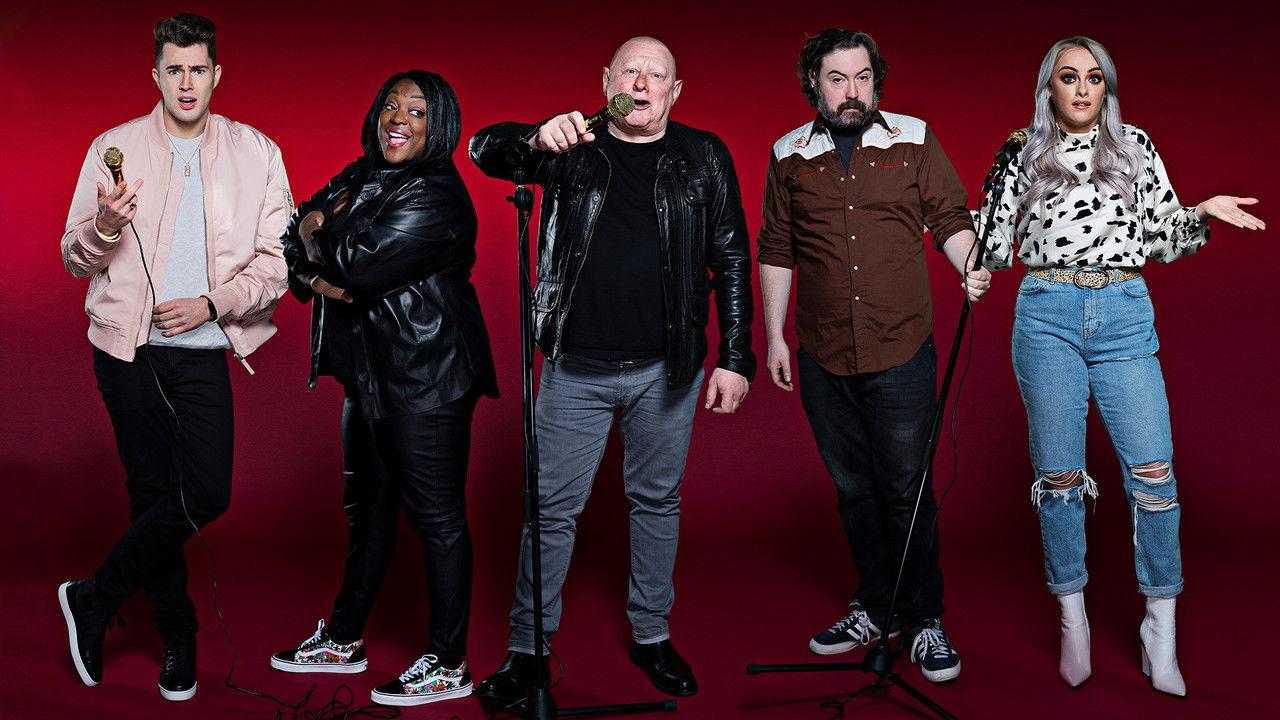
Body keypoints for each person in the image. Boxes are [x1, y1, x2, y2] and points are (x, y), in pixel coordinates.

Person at [468, 36, 755, 700]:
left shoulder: (704, 155)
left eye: (657, 75)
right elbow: (485, 150)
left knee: (656, 502)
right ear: (607, 81)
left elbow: (732, 256)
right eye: (631, 71)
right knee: (550, 510)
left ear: (675, 92)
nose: (643, 83)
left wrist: (736, 357)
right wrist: (536, 137)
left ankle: (652, 636)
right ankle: (527, 649)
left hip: (666, 368)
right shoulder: (572, 147)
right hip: (576, 366)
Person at [978, 36, 1264, 695]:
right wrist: (944, 230)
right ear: (1049, 87)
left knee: (1154, 472)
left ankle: (1159, 631)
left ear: (1106, 87)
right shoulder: (1022, 151)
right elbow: (991, 240)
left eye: (1094, 77)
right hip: (1046, 312)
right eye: (1068, 77)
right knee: (1059, 477)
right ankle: (1072, 619)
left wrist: (1200, 212)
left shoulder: (1134, 146)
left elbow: (1163, 233)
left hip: (1124, 312)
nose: (1082, 88)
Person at [56, 13, 291, 702]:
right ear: (156, 75)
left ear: (217, 74)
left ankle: (95, 595)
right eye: (174, 69)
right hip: (126, 350)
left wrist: (213, 305)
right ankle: (177, 632)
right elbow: (73, 257)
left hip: (202, 351)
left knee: (206, 493)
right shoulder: (113, 147)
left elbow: (278, 262)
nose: (186, 82)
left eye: (198, 69)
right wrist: (105, 226)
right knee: (151, 494)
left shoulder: (257, 152)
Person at [757, 28, 990, 684]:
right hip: (823, 351)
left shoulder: (914, 138)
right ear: (815, 84)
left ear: (876, 82)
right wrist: (773, 337)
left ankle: (925, 617)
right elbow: (777, 247)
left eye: (862, 77)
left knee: (906, 490)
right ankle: (876, 608)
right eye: (837, 78)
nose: (852, 90)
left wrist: (969, 266)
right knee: (854, 490)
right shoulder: (787, 154)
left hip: (901, 347)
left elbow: (949, 218)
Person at [269, 70, 498, 708]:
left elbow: (353, 266)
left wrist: (323, 246)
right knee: (367, 512)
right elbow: (294, 236)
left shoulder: (437, 196)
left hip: (427, 376)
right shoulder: (363, 173)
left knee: (437, 519)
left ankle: (449, 665)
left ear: (438, 125)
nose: (399, 119)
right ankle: (345, 639)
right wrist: (319, 256)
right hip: (370, 374)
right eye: (391, 106)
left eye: (417, 111)